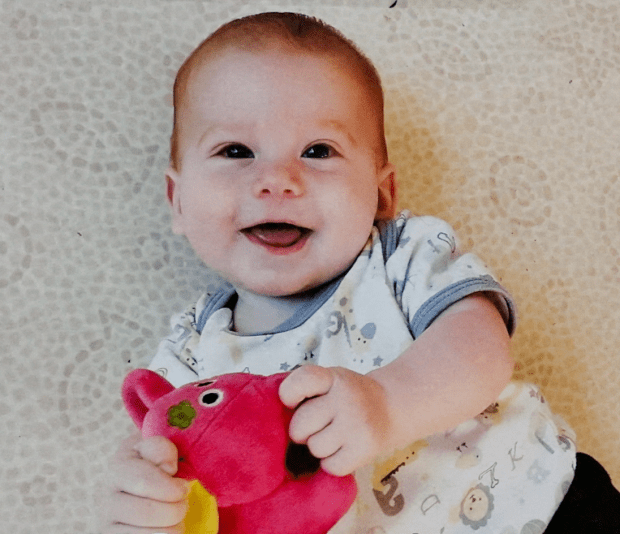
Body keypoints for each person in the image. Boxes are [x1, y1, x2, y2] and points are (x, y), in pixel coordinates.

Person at [101, 12, 619, 534]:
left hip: (545, 507)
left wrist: (387, 404)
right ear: (178, 201)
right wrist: (147, 502)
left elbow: (482, 346)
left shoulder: (399, 256)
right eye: (235, 151)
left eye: (318, 151)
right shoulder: (189, 354)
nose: (278, 180)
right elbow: (169, 459)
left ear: (382, 194)